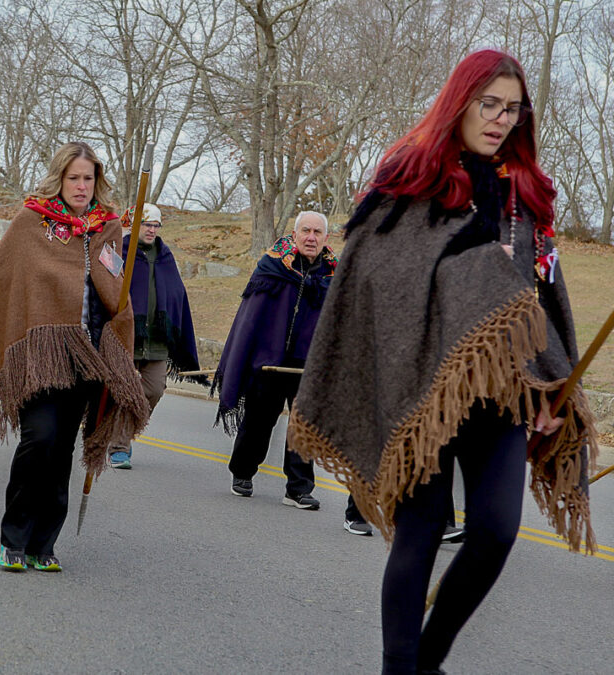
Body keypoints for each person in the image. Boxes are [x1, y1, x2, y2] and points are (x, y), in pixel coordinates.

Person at [287, 50, 596, 674]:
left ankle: (427, 659)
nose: (501, 119)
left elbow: (534, 302)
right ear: (460, 101)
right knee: (421, 532)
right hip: (421, 393)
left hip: (504, 398)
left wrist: (547, 386)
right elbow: (375, 283)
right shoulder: (409, 183)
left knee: (496, 531)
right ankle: (400, 666)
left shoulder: (525, 196)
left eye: (513, 108)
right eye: (489, 104)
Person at [0, 141, 150, 572]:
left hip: (88, 356)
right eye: (74, 178)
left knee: (63, 449)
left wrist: (119, 322)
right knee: (40, 439)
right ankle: (13, 538)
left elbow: (113, 287)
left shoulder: (106, 227)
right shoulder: (34, 222)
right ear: (60, 179)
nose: (82, 187)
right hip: (39, 355)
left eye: (89, 178)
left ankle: (43, 545)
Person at [212, 211, 335, 510]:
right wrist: (249, 354)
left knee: (304, 424)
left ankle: (298, 488)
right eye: (305, 231)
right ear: (294, 235)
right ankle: (242, 472)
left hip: (307, 364)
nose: (311, 237)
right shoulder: (272, 267)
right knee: (260, 418)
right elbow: (250, 318)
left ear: (325, 238)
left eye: (317, 232)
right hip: (269, 359)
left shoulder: (332, 276)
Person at [107, 203, 200, 469]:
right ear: (135, 226)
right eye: (146, 224)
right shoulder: (117, 251)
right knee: (120, 392)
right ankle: (119, 446)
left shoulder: (165, 256)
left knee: (155, 388)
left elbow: (176, 294)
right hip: (126, 335)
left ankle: (121, 433)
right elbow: (104, 287)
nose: (151, 230)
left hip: (156, 338)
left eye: (155, 225)